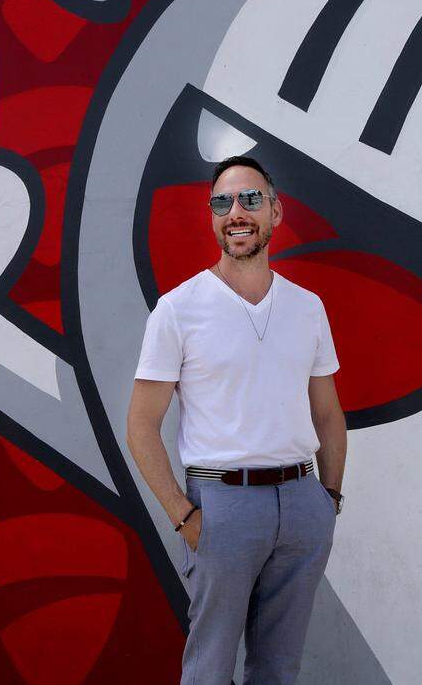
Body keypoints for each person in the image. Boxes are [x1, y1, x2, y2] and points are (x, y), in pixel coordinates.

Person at [126, 154, 347, 684]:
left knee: (279, 666)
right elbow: (141, 425)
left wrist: (328, 500)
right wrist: (184, 516)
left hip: (301, 504)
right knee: (209, 666)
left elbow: (327, 413)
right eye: (222, 202)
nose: (236, 212)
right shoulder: (179, 310)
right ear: (212, 218)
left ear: (276, 211)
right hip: (221, 506)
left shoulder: (307, 307)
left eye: (250, 198)